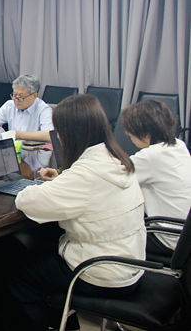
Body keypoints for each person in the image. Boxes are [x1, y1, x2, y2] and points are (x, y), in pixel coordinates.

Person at [10, 94, 145, 331]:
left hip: (101, 272)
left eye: (60, 132)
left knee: (22, 272)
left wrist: (38, 186)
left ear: (71, 133)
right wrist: (63, 180)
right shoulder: (119, 159)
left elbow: (27, 201)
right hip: (131, 263)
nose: (59, 138)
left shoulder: (86, 173)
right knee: (46, 244)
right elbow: (92, 194)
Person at [121, 99, 191, 256]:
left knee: (114, 233)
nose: (129, 135)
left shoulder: (151, 156)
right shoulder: (179, 145)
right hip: (185, 234)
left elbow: (113, 176)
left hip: (168, 238)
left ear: (146, 134)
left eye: (130, 131)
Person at [0, 74, 53, 143]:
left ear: (34, 96)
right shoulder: (9, 105)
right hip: (13, 151)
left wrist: (20, 135)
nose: (16, 100)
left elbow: (49, 135)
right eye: (15, 95)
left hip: (35, 152)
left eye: (21, 96)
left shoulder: (44, 110)